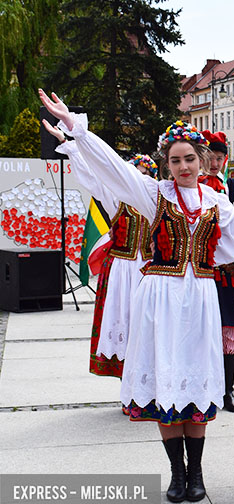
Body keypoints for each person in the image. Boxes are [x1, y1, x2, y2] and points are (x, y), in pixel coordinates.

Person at [40, 90, 234, 504]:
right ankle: (176, 473)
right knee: (164, 378)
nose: (182, 166)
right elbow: (110, 167)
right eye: (175, 160)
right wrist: (75, 127)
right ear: (167, 163)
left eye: (189, 159)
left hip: (199, 298)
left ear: (202, 160)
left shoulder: (216, 200)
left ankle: (196, 471)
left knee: (195, 379)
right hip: (159, 298)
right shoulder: (151, 194)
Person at [46, 119, 156, 381]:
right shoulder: (115, 198)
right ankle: (126, 382)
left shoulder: (155, 199)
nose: (140, 178)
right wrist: (68, 144)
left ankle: (146, 381)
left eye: (146, 174)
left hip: (149, 270)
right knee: (123, 322)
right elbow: (92, 175)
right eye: (136, 172)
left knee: (147, 325)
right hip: (122, 269)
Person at [198, 130, 234, 413]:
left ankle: (227, 390)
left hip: (226, 272)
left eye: (220, 158)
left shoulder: (229, 186)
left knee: (228, 329)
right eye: (211, 157)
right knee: (198, 330)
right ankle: (201, 387)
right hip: (200, 269)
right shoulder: (191, 187)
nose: (216, 163)